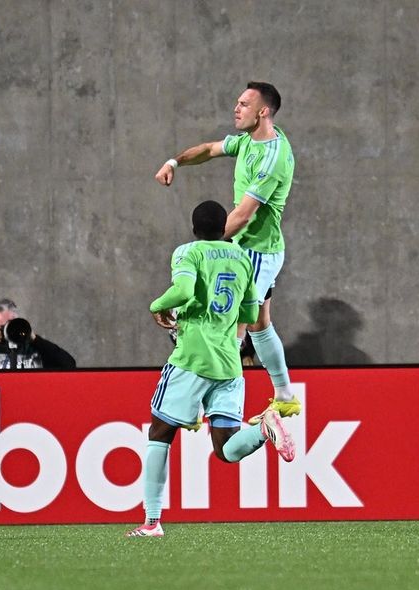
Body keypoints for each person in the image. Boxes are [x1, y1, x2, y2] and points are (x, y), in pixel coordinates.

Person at [126, 200, 295, 538]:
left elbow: (185, 289)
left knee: (159, 433)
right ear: (224, 228)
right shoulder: (243, 259)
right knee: (225, 450)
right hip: (230, 363)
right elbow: (249, 314)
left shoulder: (188, 252)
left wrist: (157, 305)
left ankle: (152, 521)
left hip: (192, 359)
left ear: (194, 228)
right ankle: (264, 429)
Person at [154, 81, 300, 424]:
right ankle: (284, 397)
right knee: (260, 325)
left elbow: (243, 214)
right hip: (249, 247)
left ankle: (210, 409)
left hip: (257, 252)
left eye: (243, 104)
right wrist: (174, 161)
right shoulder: (249, 140)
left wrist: (206, 248)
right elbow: (208, 149)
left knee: (232, 329)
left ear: (262, 111)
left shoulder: (272, 158)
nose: (236, 109)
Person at [0, 299, 76, 370]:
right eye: (1, 327)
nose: (6, 331)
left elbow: (69, 365)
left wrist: (35, 340)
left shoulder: (33, 345)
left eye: (11, 325)